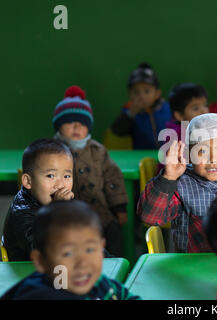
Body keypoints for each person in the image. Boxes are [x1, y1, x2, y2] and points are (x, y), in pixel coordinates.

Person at [137, 113, 217, 253]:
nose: (213, 159)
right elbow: (150, 217)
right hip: (191, 269)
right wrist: (168, 178)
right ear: (189, 155)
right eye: (202, 151)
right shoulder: (180, 187)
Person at [1, 200, 140, 300]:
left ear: (102, 248)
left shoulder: (98, 282)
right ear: (40, 261)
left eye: (90, 250)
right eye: (67, 253)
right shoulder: (40, 295)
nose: (82, 263)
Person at [53, 85, 128, 257]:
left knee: (114, 236)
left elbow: (112, 178)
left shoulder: (98, 151)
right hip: (68, 215)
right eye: (70, 122)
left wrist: (119, 207)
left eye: (82, 123)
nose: (77, 127)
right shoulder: (53, 151)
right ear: (59, 126)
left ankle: (115, 272)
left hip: (100, 213)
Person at [3, 139, 74, 261]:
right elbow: (44, 250)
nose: (61, 184)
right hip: (31, 273)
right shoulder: (21, 213)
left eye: (67, 176)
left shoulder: (61, 202)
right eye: (50, 176)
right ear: (28, 181)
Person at [111, 62, 172, 149]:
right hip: (141, 158)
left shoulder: (168, 109)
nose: (141, 96)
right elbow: (117, 131)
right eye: (136, 92)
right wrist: (130, 114)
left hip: (167, 156)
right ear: (130, 95)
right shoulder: (129, 111)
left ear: (157, 93)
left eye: (147, 91)